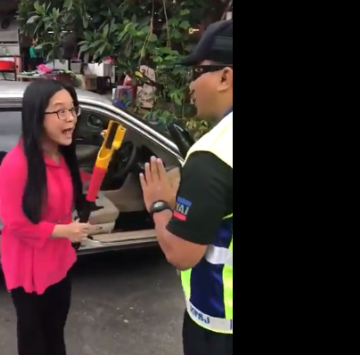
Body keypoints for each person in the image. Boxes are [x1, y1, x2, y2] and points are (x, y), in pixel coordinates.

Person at [138, 19, 234, 355]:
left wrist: (160, 204)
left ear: (225, 77)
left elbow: (181, 254)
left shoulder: (213, 155)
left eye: (198, 72)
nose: (191, 85)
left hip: (218, 328)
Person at [0, 79, 94, 355]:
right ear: (37, 115)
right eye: (59, 111)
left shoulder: (61, 155)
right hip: (29, 268)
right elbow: (16, 223)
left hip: (58, 263)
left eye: (72, 110)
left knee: (55, 334)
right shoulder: (17, 165)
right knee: (34, 341)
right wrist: (66, 232)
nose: (70, 118)